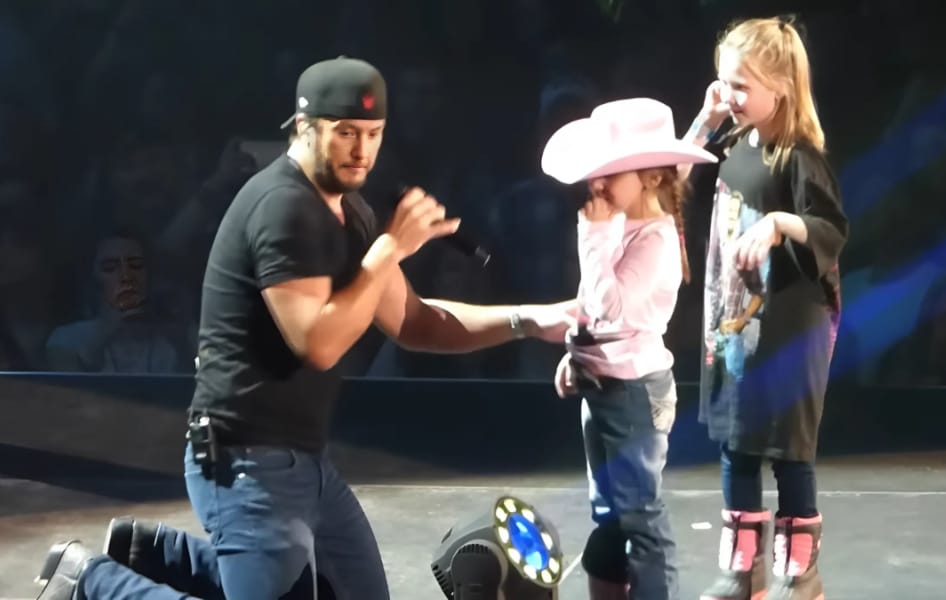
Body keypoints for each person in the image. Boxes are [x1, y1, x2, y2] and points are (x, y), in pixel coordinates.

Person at [32, 56, 574, 600]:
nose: (362, 151)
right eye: (345, 134)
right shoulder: (282, 208)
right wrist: (389, 249)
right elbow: (318, 342)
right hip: (244, 462)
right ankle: (89, 583)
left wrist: (528, 320)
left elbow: (413, 320)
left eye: (373, 134)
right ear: (304, 128)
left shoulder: (350, 210)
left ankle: (149, 554)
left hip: (305, 459)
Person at [679, 17, 849, 600]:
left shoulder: (798, 155)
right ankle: (741, 570)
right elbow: (671, 175)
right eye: (723, 83)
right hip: (737, 329)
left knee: (787, 450)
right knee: (737, 445)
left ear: (782, 86)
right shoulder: (733, 142)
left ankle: (799, 574)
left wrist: (780, 223)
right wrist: (708, 118)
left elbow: (831, 228)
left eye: (742, 87)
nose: (731, 96)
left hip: (787, 327)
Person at [541, 97, 718, 600]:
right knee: (611, 514)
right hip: (602, 387)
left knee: (641, 516)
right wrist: (575, 350)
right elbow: (594, 312)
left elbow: (611, 306)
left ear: (651, 178)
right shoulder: (622, 219)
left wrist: (592, 234)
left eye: (610, 173)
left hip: (634, 394)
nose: (597, 185)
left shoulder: (655, 240)